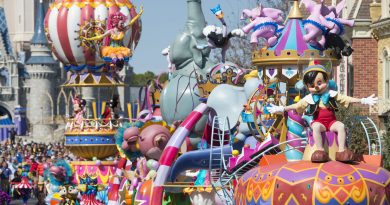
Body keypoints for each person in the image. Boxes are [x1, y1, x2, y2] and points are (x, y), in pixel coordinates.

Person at [267, 60, 377, 163]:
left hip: (331, 122)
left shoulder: (331, 94)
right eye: (312, 85)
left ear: (326, 81)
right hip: (319, 122)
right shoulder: (309, 98)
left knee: (341, 126)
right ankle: (320, 151)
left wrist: (363, 100)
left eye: (319, 83)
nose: (316, 87)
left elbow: (346, 98)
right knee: (316, 127)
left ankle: (342, 151)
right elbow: (297, 105)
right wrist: (282, 108)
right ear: (307, 86)